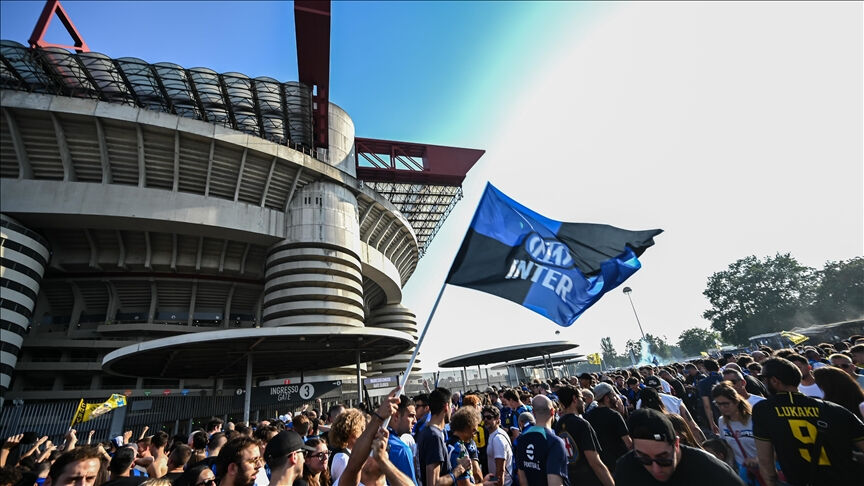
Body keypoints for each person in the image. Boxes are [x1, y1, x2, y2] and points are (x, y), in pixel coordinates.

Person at [752, 357, 864, 486]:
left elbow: (765, 461)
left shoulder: (764, 410)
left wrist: (771, 482)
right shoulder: (834, 409)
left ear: (774, 381)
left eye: (764, 379)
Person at [614, 409, 745, 486]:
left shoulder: (710, 470)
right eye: (644, 459)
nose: (656, 468)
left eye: (663, 458)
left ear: (676, 444)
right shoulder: (625, 469)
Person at [417, 388, 471, 486]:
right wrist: (459, 469)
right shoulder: (434, 436)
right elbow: (433, 483)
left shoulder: (427, 431)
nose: (452, 409)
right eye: (451, 406)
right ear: (446, 407)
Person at [711, 382, 761, 486]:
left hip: (764, 467)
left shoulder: (754, 419)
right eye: (718, 404)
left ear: (736, 401)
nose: (722, 408)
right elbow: (728, 447)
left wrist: (758, 459)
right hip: (743, 471)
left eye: (726, 403)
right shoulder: (722, 422)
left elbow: (774, 446)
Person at [515, 395, 569, 486]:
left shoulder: (521, 439)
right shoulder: (555, 442)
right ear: (552, 411)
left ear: (533, 413)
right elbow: (554, 483)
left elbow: (522, 477)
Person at [583, 383, 632, 471]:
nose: (615, 398)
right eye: (613, 395)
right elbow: (628, 443)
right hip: (620, 462)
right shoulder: (614, 415)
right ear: (606, 398)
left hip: (601, 464)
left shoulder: (588, 416)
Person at [328, 409, 365, 486]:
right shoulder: (342, 458)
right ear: (351, 431)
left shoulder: (347, 454)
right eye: (361, 428)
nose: (364, 432)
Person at [388, 395, 419, 485]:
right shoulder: (401, 450)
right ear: (397, 416)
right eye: (411, 416)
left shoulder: (372, 441)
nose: (415, 421)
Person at [447, 407, 482, 485]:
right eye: (474, 431)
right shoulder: (460, 448)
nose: (474, 435)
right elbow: (464, 484)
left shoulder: (448, 443)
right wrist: (484, 484)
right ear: (466, 427)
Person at [481, 406, 512, 486]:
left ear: (497, 419)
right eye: (483, 417)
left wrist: (497, 483)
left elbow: (500, 470)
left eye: (489, 417)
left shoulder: (498, 439)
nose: (485, 420)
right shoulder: (494, 434)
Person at [696, 359, 723, 435]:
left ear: (705, 368)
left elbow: (707, 405)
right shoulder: (726, 377)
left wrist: (711, 423)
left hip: (718, 413)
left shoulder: (703, 383)